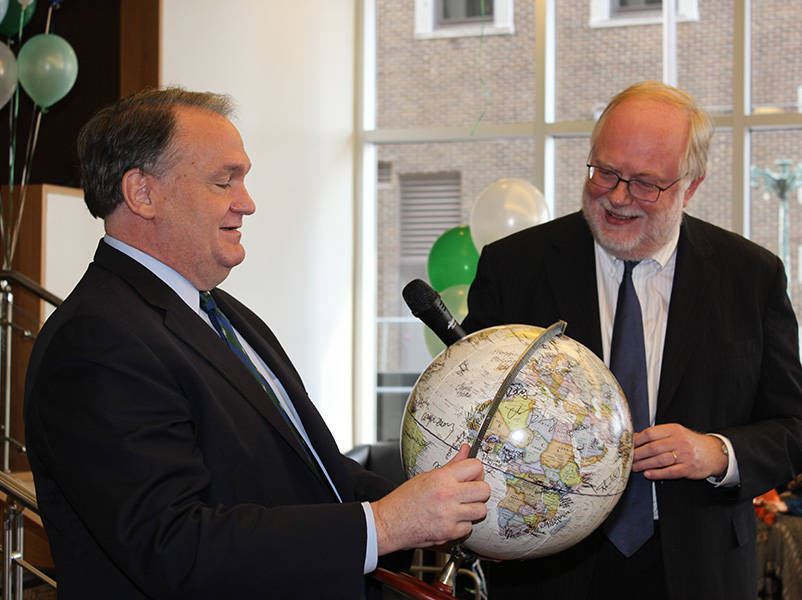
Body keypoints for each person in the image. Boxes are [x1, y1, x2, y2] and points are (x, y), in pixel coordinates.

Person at [23, 87, 490, 600]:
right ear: (142, 193)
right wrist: (384, 524)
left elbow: (318, 475)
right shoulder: (95, 341)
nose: (246, 203)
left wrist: (439, 503)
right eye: (224, 181)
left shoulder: (225, 314)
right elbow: (175, 547)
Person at [461, 81, 802, 599]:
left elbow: (793, 427)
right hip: (547, 571)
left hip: (701, 568)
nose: (619, 198)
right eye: (606, 172)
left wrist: (717, 452)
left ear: (690, 186)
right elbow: (470, 410)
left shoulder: (750, 277)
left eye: (646, 183)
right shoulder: (516, 267)